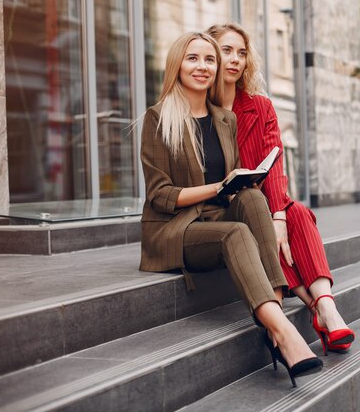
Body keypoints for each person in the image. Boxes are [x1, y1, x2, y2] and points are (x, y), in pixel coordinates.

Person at [138, 31, 322, 386]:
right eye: (193, 58)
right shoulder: (158, 117)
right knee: (235, 233)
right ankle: (282, 331)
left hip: (215, 216)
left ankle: (275, 318)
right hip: (174, 228)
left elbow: (234, 189)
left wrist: (242, 183)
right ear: (177, 65)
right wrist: (219, 187)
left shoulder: (225, 119)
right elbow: (160, 195)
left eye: (209, 60)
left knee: (254, 198)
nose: (202, 66)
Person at [206, 23, 355, 354]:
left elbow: (273, 163)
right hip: (227, 207)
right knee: (270, 220)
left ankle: (327, 308)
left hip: (265, 198)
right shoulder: (201, 108)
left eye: (241, 53)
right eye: (226, 50)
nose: (235, 59)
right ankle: (318, 308)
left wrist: (278, 216)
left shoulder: (259, 106)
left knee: (295, 213)